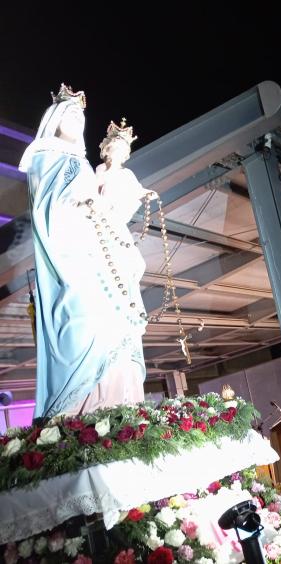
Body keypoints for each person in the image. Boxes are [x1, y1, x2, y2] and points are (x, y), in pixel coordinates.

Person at [19, 84, 148, 419]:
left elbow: (102, 210)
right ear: (56, 117)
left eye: (81, 116)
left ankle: (116, 407)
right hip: (69, 256)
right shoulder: (45, 154)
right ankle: (81, 413)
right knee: (80, 325)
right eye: (71, 113)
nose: (78, 120)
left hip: (95, 255)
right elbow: (46, 209)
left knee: (115, 328)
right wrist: (79, 202)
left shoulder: (83, 163)